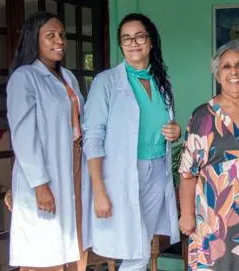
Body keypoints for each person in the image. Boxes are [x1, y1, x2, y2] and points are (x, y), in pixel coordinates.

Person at [82, 13, 180, 270]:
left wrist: (175, 131)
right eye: (126, 38)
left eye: (139, 36)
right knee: (135, 251)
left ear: (150, 41)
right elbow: (92, 136)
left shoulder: (161, 82)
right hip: (122, 174)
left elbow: (162, 122)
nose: (133, 43)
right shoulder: (107, 82)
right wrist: (99, 190)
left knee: (142, 246)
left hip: (157, 169)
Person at [178, 40, 239, 271]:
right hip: (213, 226)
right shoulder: (202, 116)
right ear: (217, 73)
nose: (234, 72)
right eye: (226, 66)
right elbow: (188, 173)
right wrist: (187, 215)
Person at [6, 11, 88, 271]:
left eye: (62, 35)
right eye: (50, 35)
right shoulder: (25, 77)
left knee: (74, 240)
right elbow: (23, 135)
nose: (60, 40)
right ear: (35, 40)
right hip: (45, 171)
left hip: (73, 164)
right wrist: (40, 184)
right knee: (45, 248)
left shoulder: (68, 77)